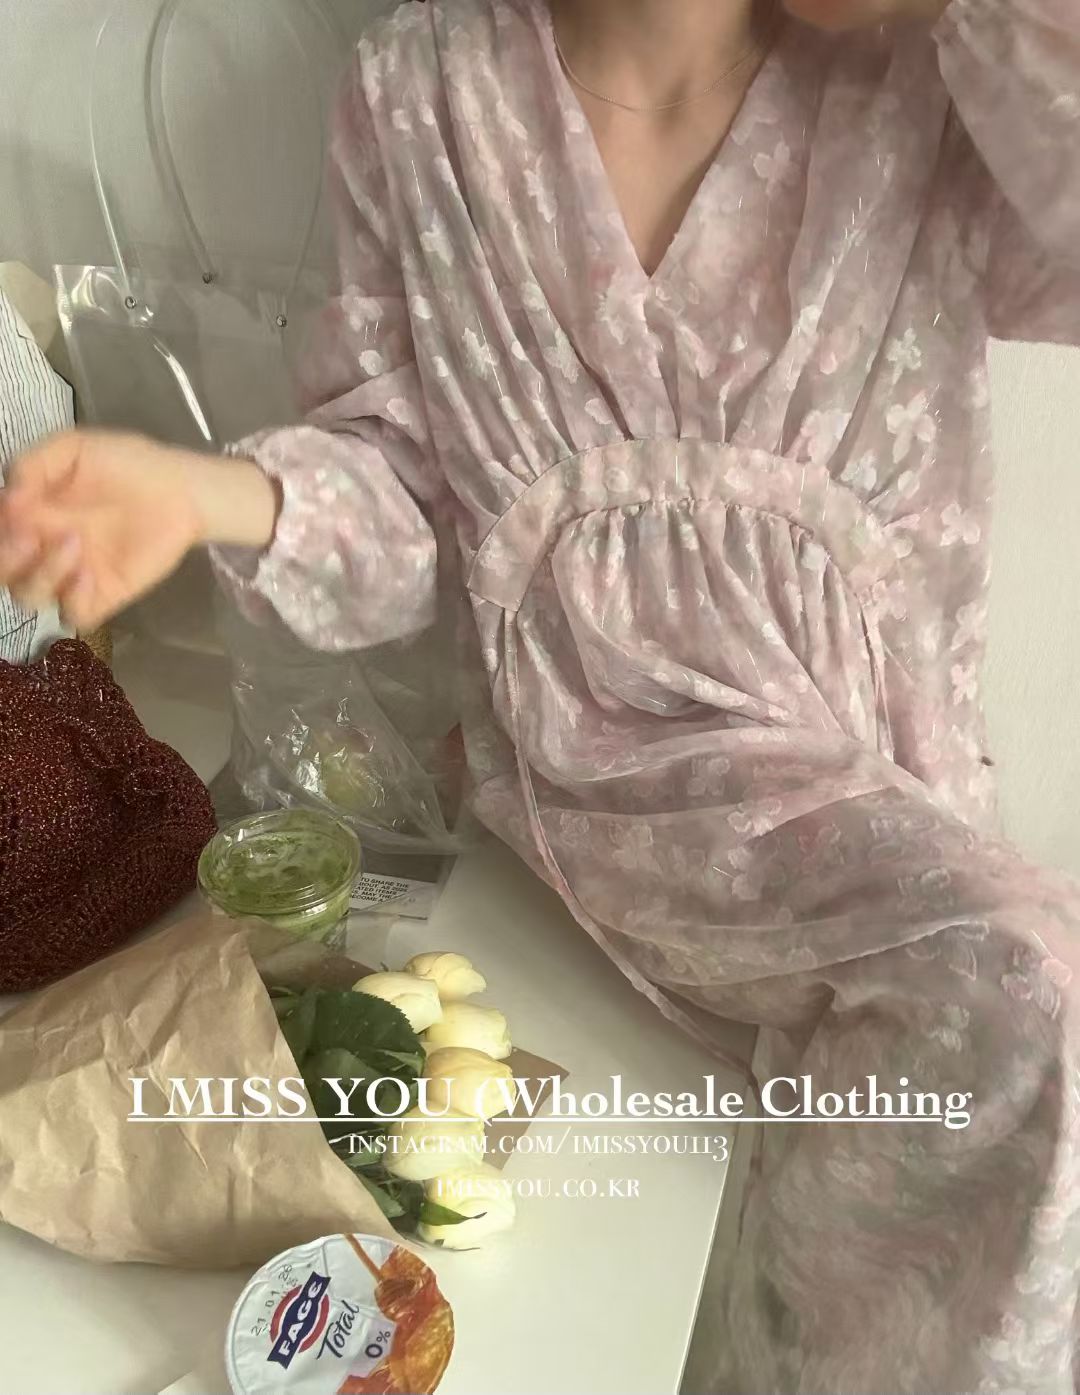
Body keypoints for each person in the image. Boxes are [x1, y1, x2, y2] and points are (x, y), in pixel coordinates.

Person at [2, 0, 1079, 1388]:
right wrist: (214, 497)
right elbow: (402, 495)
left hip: (882, 780)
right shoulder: (427, 91)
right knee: (1028, 989)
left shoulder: (928, 77)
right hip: (599, 775)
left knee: (1007, 1024)